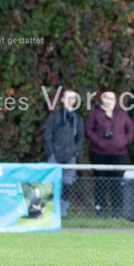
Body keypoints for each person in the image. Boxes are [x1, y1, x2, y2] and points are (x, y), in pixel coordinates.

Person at [85, 90, 134, 219]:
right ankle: (99, 209)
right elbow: (88, 131)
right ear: (102, 100)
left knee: (116, 183)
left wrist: (125, 141)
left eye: (111, 99)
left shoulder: (122, 115)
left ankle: (116, 211)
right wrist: (98, 141)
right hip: (99, 154)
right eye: (106, 98)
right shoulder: (95, 114)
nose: (108, 101)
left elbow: (130, 130)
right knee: (100, 182)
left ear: (115, 100)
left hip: (119, 155)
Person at [44, 90, 84, 218]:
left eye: (73, 98)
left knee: (67, 184)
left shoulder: (77, 119)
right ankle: (47, 210)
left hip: (70, 157)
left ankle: (63, 210)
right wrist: (51, 153)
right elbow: (47, 136)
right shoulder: (54, 116)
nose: (70, 100)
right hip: (55, 156)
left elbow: (80, 138)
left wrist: (75, 151)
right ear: (62, 100)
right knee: (50, 183)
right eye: (67, 98)